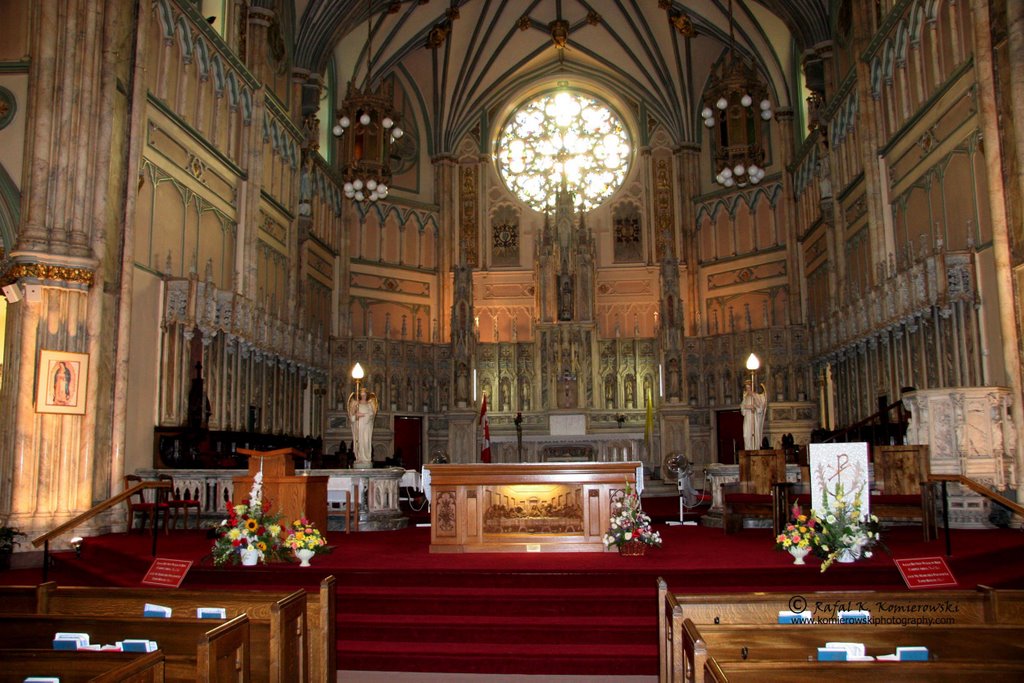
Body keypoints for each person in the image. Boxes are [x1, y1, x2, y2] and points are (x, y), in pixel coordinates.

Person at [348, 387, 378, 469]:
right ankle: (359, 458)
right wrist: (356, 416)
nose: (363, 396)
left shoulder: (369, 405)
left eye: (365, 395)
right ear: (360, 395)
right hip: (359, 427)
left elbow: (372, 415)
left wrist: (363, 415)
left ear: (366, 395)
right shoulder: (356, 405)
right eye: (362, 395)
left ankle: (366, 458)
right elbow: (352, 417)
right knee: (359, 441)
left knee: (366, 441)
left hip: (367, 427)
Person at [740, 381, 767, 450]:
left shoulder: (756, 395)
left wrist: (754, 406)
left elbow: (760, 407)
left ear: (752, 388)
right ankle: (748, 449)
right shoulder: (745, 397)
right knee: (746, 434)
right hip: (747, 417)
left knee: (754, 433)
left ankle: (754, 448)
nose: (748, 389)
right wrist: (748, 407)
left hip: (754, 417)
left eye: (749, 387)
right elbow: (742, 407)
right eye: (746, 388)